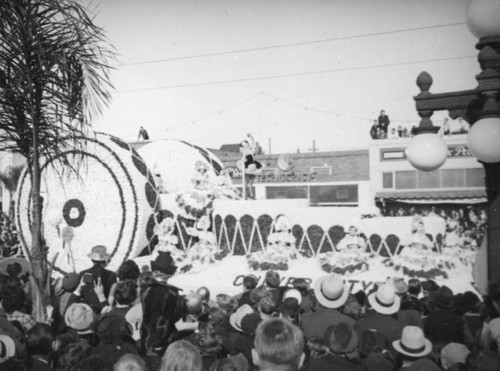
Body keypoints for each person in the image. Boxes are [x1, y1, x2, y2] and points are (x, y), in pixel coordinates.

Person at [239, 133, 263, 200]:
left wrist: (251, 136)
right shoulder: (244, 151)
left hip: (253, 166)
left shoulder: (250, 149)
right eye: (244, 144)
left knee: (251, 182)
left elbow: (253, 141)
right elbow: (244, 159)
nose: (246, 145)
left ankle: (251, 195)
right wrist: (243, 161)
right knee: (246, 182)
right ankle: (246, 195)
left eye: (246, 143)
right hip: (248, 166)